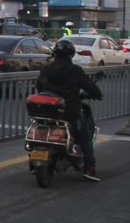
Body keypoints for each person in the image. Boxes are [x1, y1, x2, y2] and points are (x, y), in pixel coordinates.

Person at [36, 38, 104, 181]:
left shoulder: (46, 69)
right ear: (71, 55)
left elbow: (39, 86)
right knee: (85, 138)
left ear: (55, 53)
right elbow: (89, 86)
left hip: (47, 110)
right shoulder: (75, 70)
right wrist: (97, 94)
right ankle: (90, 168)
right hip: (69, 111)